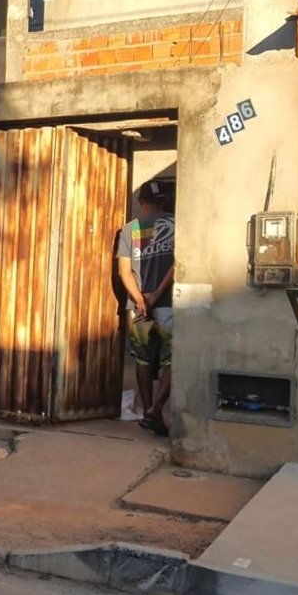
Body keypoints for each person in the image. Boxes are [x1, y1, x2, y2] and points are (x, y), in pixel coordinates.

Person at [117, 180, 175, 436]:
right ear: (165, 201)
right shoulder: (175, 225)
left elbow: (124, 271)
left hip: (138, 307)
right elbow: (178, 264)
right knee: (173, 360)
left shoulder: (130, 230)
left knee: (142, 359)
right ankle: (156, 410)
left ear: (142, 203)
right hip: (166, 304)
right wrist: (156, 295)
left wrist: (139, 298)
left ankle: (148, 408)